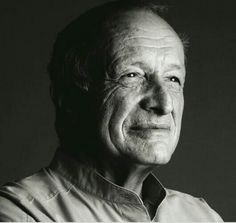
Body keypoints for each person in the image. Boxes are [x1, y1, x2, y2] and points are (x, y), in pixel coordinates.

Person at [0, 0, 223, 221]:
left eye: (173, 79)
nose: (164, 104)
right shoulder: (20, 215)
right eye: (132, 75)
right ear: (70, 98)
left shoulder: (202, 216)